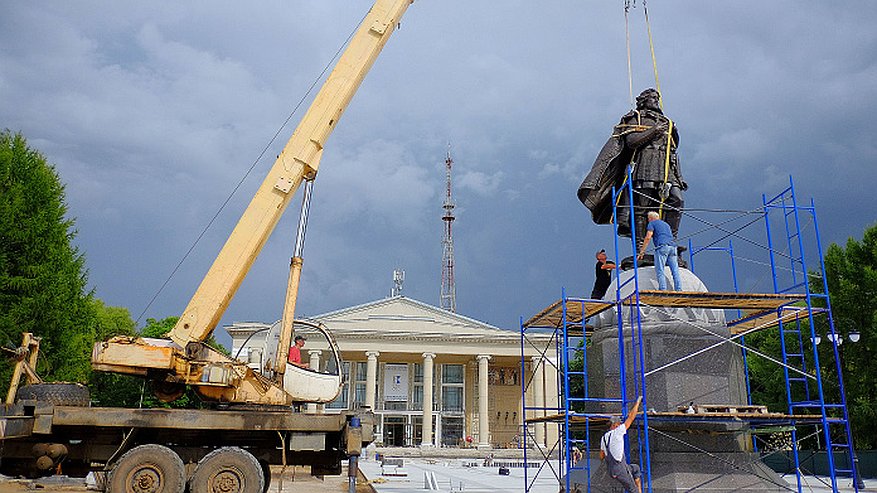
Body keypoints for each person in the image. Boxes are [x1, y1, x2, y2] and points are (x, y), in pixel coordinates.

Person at [578, 88, 686, 248]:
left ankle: (668, 242)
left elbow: (672, 149)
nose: (657, 101)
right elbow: (632, 141)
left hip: (665, 167)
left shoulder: (666, 121)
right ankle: (640, 247)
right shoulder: (636, 117)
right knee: (641, 205)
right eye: (653, 98)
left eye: (658, 98)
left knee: (676, 200)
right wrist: (654, 131)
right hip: (646, 164)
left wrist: (679, 175)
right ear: (644, 101)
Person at [601, 396, 643, 493]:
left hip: (612, 470)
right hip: (620, 469)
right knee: (633, 490)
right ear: (615, 425)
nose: (620, 425)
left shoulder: (604, 438)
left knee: (635, 469)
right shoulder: (618, 431)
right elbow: (631, 417)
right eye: (619, 424)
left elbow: (602, 455)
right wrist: (637, 402)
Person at [637, 211, 682, 291]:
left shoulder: (652, 223)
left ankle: (662, 289)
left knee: (660, 269)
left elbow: (648, 237)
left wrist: (642, 251)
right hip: (673, 247)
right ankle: (679, 289)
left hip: (662, 247)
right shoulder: (666, 225)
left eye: (648, 218)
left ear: (650, 218)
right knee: (675, 270)